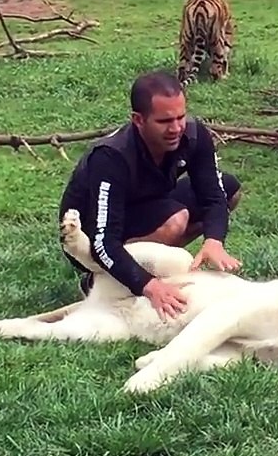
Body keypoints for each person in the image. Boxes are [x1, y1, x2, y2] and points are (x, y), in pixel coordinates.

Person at [57, 70, 244, 320]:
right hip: (93, 234)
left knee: (229, 188)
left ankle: (145, 267)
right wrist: (149, 286)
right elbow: (104, 242)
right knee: (176, 220)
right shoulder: (111, 157)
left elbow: (213, 196)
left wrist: (214, 240)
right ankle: (103, 280)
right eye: (164, 121)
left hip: (147, 204)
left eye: (180, 117)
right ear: (138, 120)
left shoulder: (193, 134)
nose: (176, 128)